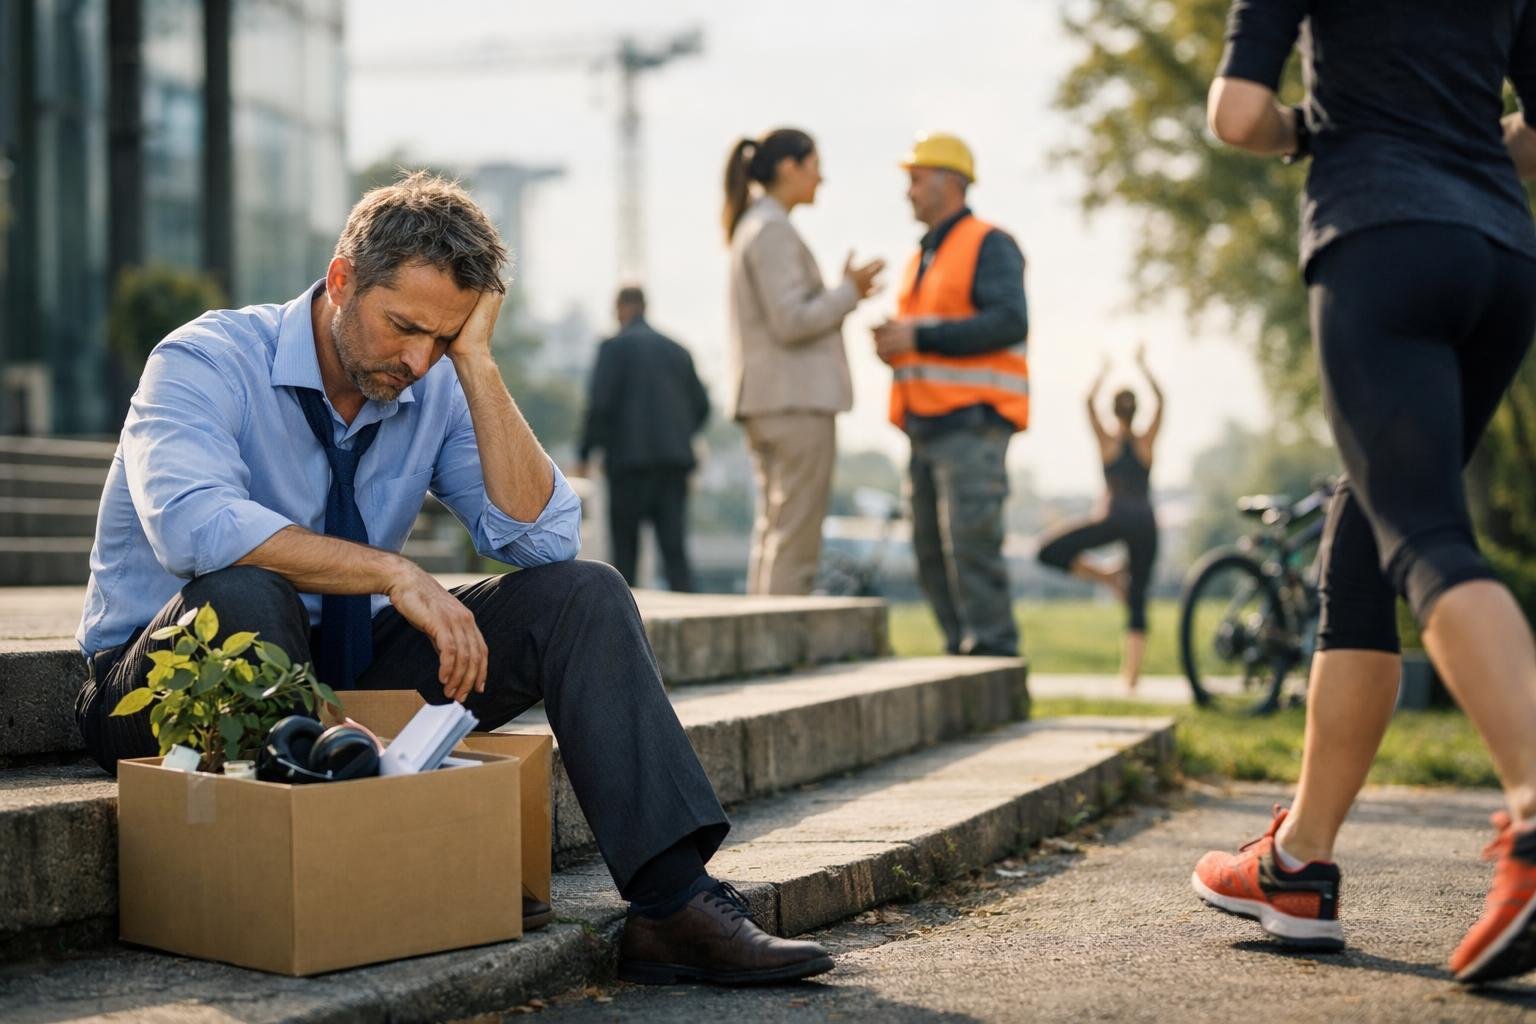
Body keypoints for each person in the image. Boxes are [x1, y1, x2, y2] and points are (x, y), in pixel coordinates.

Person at [72, 172, 833, 986]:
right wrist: (392, 572)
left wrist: (477, 364)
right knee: (245, 592)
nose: (416, 358)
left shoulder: (433, 380)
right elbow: (194, 528)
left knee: (584, 595)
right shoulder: (205, 359)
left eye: (442, 337)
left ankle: (673, 904)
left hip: (343, 670)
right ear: (341, 280)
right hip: (167, 680)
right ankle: (411, 861)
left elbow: (544, 540)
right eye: (404, 326)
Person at [1191, 1, 1536, 985]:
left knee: (1421, 533)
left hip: (1381, 235)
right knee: (1367, 532)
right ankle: (1298, 866)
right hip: (1502, 260)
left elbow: (1237, 114)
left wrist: (1306, 129)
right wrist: (1466, 145)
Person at [875, 132, 1029, 657]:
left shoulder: (989, 243)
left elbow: (1009, 320)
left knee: (972, 550)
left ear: (950, 182)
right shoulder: (921, 256)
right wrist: (898, 345)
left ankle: (993, 658)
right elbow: (933, 333)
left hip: (971, 426)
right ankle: (960, 653)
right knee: (930, 554)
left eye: (916, 180)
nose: (909, 192)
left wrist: (919, 337)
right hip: (924, 426)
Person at [723, 128, 884, 595]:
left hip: (771, 399)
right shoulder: (772, 229)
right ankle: (780, 630)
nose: (821, 178)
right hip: (795, 401)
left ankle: (763, 628)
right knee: (795, 538)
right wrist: (848, 293)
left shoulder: (754, 225)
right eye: (815, 165)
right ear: (788, 167)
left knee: (776, 530)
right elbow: (791, 320)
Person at [1037, 346, 1162, 690]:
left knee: (1048, 551)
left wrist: (1102, 373)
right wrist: (1144, 367)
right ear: (1136, 411)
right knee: (1138, 599)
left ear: (1114, 411)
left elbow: (1088, 403)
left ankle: (1106, 577)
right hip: (1145, 523)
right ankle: (1131, 679)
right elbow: (1162, 401)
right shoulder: (1146, 442)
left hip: (1115, 517)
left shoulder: (1108, 442)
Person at [575, 285, 710, 591]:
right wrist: (679, 435)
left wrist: (584, 454)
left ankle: (626, 613)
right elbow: (702, 405)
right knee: (674, 550)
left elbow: (600, 405)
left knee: (626, 552)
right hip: (673, 463)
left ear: (620, 308)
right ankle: (687, 605)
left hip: (628, 465)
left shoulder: (613, 348)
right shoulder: (677, 350)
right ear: (645, 306)